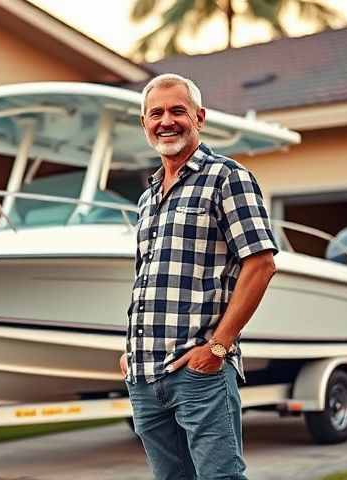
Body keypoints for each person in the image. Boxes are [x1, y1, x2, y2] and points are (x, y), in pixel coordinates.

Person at [120, 73, 278, 480]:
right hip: (144, 375)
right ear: (144, 123)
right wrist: (130, 352)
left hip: (199, 373)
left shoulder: (227, 178)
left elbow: (260, 264)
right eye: (156, 113)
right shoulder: (147, 199)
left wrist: (219, 348)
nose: (166, 121)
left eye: (178, 111)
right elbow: (148, 279)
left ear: (200, 117)